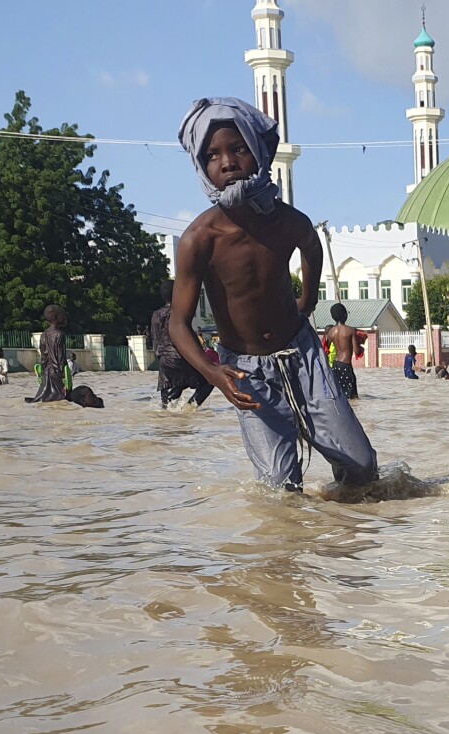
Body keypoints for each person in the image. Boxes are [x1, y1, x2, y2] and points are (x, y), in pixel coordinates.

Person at [171, 96, 378, 491]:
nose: (228, 162)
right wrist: (214, 373)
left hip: (302, 355)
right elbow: (180, 324)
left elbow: (311, 244)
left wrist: (308, 299)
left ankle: (348, 539)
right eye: (213, 155)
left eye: (239, 149)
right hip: (245, 370)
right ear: (202, 168)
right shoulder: (199, 239)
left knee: (363, 468)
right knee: (280, 492)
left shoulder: (285, 221)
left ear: (260, 150)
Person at [151, 279, 214, 408]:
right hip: (180, 357)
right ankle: (190, 408)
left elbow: (155, 339)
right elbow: (185, 335)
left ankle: (170, 423)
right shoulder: (178, 313)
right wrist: (201, 356)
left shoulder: (155, 315)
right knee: (210, 379)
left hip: (163, 360)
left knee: (167, 403)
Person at [27, 305, 70, 403]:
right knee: (63, 400)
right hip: (57, 373)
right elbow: (61, 358)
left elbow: (43, 357)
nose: (64, 317)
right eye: (62, 314)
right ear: (56, 317)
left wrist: (42, 374)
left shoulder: (43, 335)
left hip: (46, 373)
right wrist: (65, 376)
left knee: (45, 400)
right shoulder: (60, 335)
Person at [322, 302, 361, 399]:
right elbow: (357, 351)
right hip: (346, 365)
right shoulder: (351, 330)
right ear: (345, 315)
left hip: (335, 365)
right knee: (353, 397)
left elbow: (326, 349)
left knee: (340, 395)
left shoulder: (331, 332)